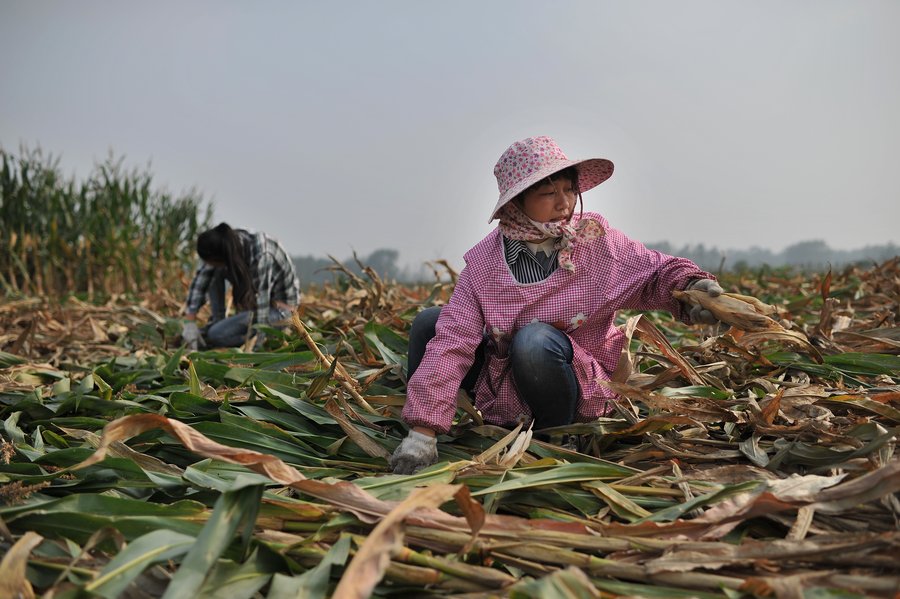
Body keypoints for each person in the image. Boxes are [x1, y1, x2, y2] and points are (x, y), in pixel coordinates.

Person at [389, 136, 724, 474]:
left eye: (569, 190)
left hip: (576, 380)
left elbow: (653, 272)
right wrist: (423, 434)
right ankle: (440, 429)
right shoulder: (484, 264)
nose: (564, 203)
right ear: (516, 203)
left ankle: (558, 436)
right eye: (548, 193)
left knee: (534, 340)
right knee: (431, 323)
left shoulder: (593, 239)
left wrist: (690, 288)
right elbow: (453, 341)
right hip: (506, 383)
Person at [181, 223, 300, 351]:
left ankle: (263, 336)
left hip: (281, 312)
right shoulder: (227, 244)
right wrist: (190, 322)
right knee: (213, 272)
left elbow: (262, 310)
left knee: (215, 335)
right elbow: (201, 279)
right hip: (253, 310)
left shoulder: (261, 255)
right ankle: (218, 322)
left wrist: (255, 348)